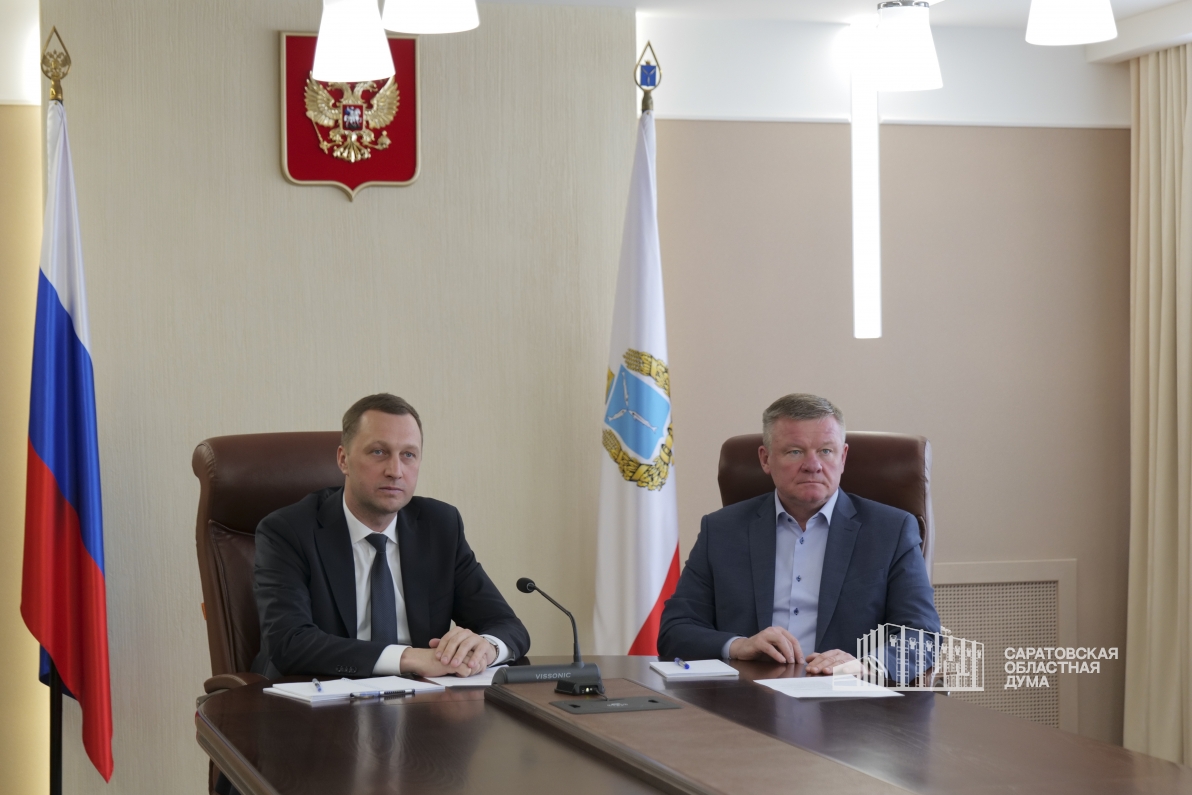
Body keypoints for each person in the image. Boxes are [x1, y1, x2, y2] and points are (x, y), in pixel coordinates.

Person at [251, 393, 530, 679]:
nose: (395, 471)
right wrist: (409, 658)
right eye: (378, 452)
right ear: (343, 460)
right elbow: (289, 642)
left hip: (422, 698)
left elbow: (506, 625)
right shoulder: (288, 531)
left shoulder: (440, 526)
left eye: (408, 455)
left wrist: (487, 648)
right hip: (317, 695)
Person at [657, 393, 938, 675]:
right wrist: (739, 646)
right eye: (795, 451)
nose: (812, 465)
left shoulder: (891, 530)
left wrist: (864, 665)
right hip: (748, 694)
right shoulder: (721, 530)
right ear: (765, 459)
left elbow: (923, 636)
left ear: (843, 457)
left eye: (826, 451)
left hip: (847, 694)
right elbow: (675, 631)